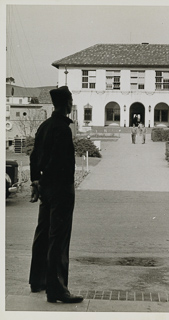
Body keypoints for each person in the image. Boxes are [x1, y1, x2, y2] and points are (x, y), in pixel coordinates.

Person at [29, 86, 83, 304]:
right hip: (61, 189)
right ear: (68, 103)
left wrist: (36, 181)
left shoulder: (44, 126)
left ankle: (38, 280)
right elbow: (59, 163)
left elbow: (34, 156)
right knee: (58, 238)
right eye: (71, 101)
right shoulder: (62, 128)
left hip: (46, 189)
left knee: (42, 234)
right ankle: (57, 289)